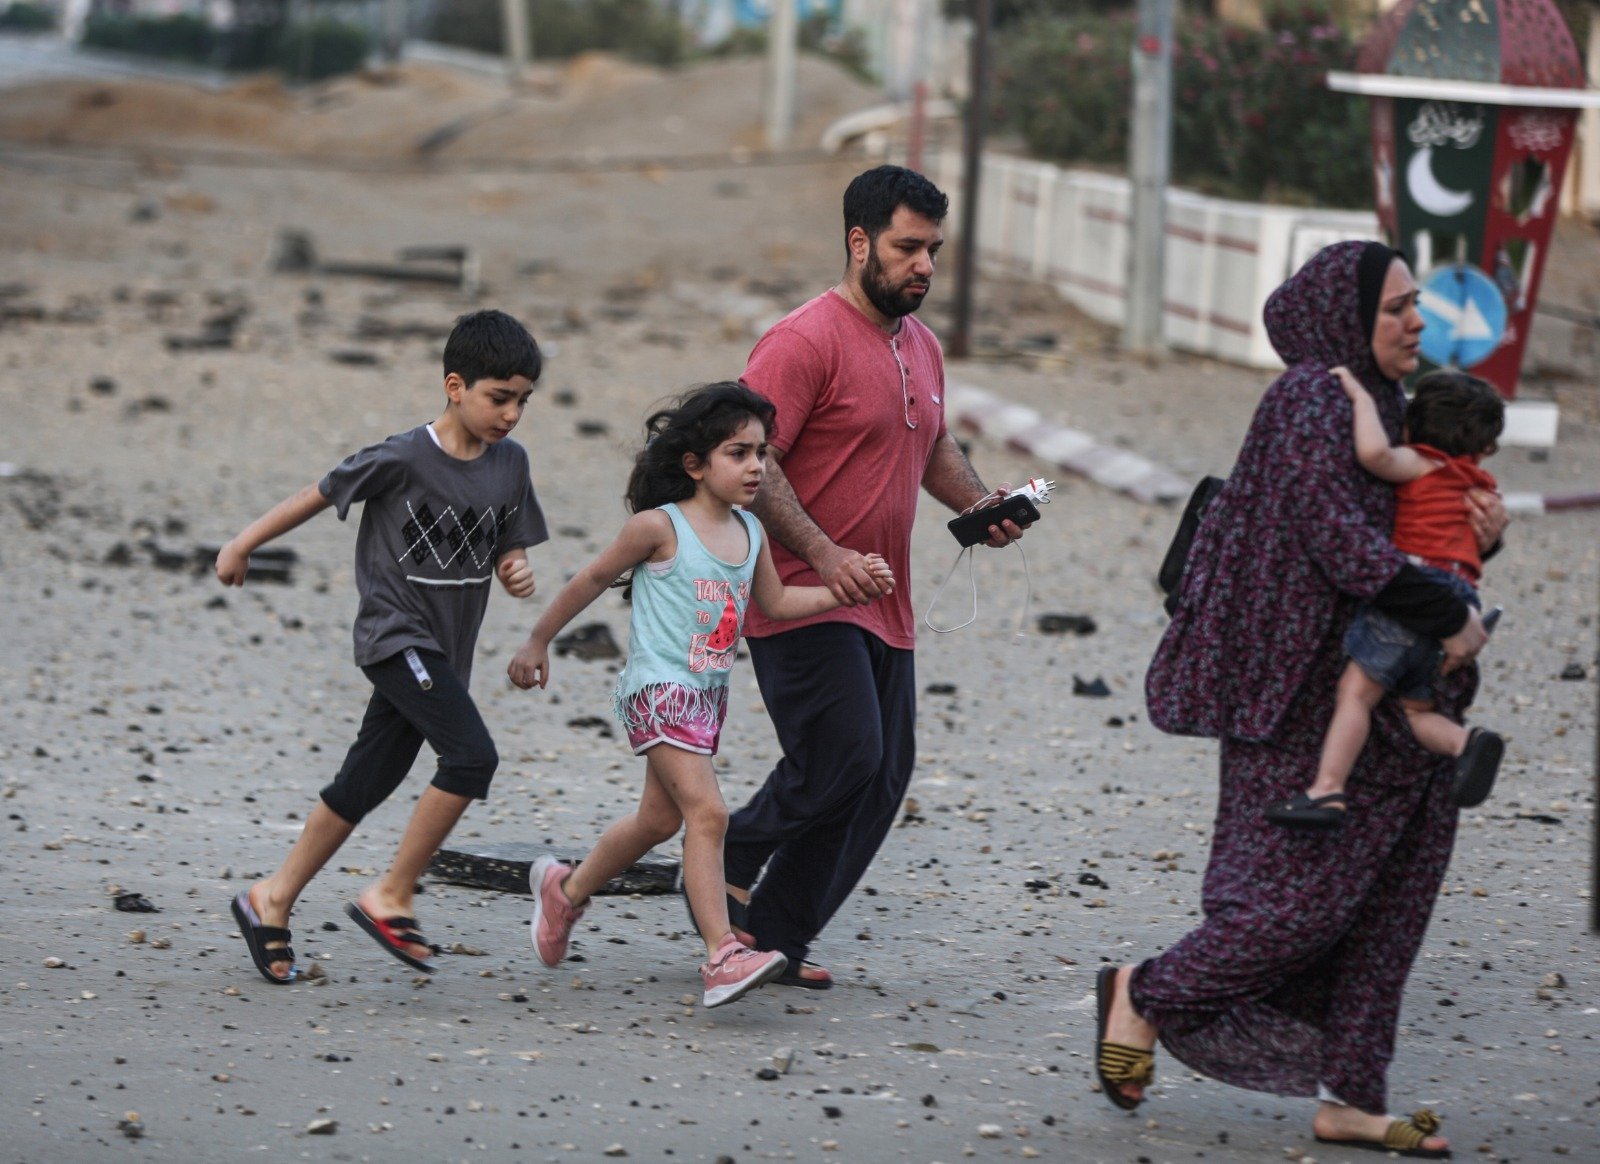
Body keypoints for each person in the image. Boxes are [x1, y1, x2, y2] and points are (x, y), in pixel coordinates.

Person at [1095, 242, 1508, 1158]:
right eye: (1399, 307)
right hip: (1303, 700)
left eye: (1417, 307)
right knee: (1297, 908)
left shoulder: (1392, 402)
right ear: (1346, 313)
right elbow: (1335, 539)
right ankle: (1147, 993)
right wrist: (1450, 609)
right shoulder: (1311, 399)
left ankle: (1352, 1098)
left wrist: (1483, 539)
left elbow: (1412, 533)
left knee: (1388, 911)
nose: (1418, 323)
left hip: (1399, 698)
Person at [714, 164, 1029, 989]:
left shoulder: (919, 345)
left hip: (885, 598)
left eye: (933, 249)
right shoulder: (801, 341)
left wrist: (983, 503)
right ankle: (730, 853)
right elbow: (755, 458)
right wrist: (824, 554)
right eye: (907, 247)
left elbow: (929, 444)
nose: (924, 264)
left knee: (883, 777)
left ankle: (777, 936)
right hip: (800, 590)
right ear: (860, 244)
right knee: (846, 753)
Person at [506, 383, 896, 1008]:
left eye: (762, 455)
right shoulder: (658, 527)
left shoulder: (751, 531)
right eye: (738, 453)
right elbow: (592, 578)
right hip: (657, 688)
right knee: (708, 814)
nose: (756, 468)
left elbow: (774, 604)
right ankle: (721, 952)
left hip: (703, 700)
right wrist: (537, 641)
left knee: (658, 820)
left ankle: (565, 891)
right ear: (695, 464)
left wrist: (844, 592)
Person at [217, 309, 548, 983]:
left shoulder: (510, 465)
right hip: (395, 637)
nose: (511, 414)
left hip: (444, 652)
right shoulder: (402, 456)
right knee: (470, 755)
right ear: (455, 386)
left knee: (366, 781)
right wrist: (243, 542)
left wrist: (513, 567)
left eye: (522, 401)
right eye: (498, 397)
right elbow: (319, 493)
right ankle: (392, 893)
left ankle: (270, 898)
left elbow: (507, 540)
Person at [1267, 368, 1507, 830]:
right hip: (1462, 598)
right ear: (1482, 446)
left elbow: (1374, 454)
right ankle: (1465, 742)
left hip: (1414, 590)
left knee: (1355, 693)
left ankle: (1328, 788)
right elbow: (1476, 542)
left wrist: (1359, 397)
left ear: (1414, 428)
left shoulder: (1422, 464)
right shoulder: (1479, 487)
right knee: (1413, 709)